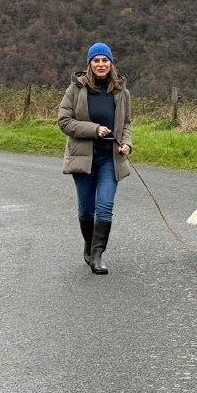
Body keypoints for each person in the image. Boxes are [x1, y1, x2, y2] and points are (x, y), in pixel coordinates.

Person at [57, 42, 132, 275]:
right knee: (86, 209)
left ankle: (98, 255)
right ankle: (88, 247)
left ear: (111, 64)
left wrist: (127, 143)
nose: (101, 64)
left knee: (105, 206)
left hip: (110, 158)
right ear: (89, 64)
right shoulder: (75, 90)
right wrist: (94, 129)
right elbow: (64, 121)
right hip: (83, 158)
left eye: (105, 60)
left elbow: (126, 123)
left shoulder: (122, 92)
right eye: (96, 60)